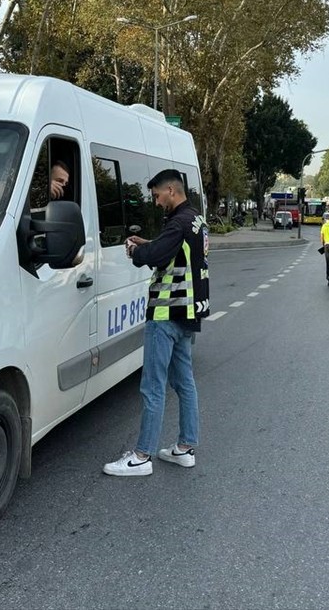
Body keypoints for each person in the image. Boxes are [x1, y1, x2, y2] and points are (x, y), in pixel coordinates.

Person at [104, 169, 209, 477]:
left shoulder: (177, 223)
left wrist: (137, 250)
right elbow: (175, 252)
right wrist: (150, 242)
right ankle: (185, 448)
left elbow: (158, 254)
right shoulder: (196, 221)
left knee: (153, 385)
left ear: (171, 191)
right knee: (184, 382)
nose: (156, 201)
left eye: (157, 195)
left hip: (166, 313)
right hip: (188, 314)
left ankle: (141, 456)